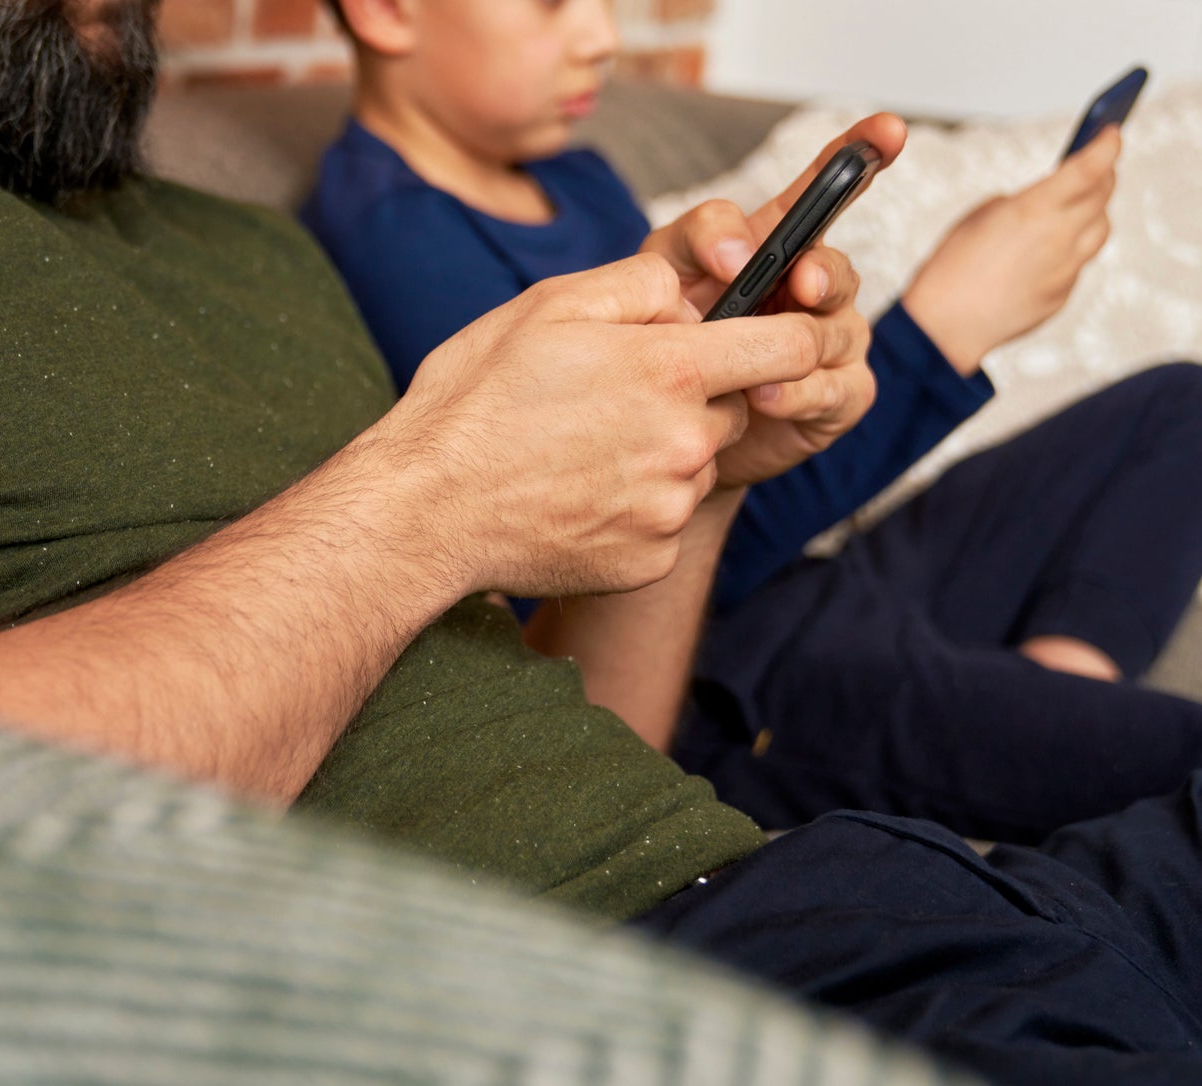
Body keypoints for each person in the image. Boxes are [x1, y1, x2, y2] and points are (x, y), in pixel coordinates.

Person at [0, 4, 1199, 1083]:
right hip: (618, 1002)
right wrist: (418, 501)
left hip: (851, 893)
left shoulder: (237, 247)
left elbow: (569, 748)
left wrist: (697, 473)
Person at [300, 0, 1202, 843]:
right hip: (738, 670)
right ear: (384, 9)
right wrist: (942, 328)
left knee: (1179, 404)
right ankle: (1042, 734)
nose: (600, 36)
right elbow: (607, 558)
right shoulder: (394, 241)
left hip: (819, 577)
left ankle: (1055, 683)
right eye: (549, 1)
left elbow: (712, 430)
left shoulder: (579, 178)